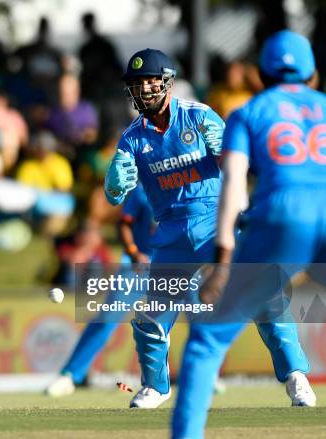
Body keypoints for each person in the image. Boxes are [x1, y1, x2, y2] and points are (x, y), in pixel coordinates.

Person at [104, 48, 312, 408]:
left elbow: (235, 165)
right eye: (136, 85)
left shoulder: (198, 117)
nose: (142, 91)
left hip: (217, 224)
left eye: (149, 82)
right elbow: (113, 195)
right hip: (171, 233)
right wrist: (114, 184)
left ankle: (296, 377)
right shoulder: (132, 137)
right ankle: (155, 387)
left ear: (167, 82)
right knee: (151, 317)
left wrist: (226, 153)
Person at [172, 30, 322, 438]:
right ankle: (295, 378)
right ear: (313, 75)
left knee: (206, 341)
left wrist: (223, 261)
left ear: (259, 75)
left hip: (279, 216)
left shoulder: (247, 113)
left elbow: (234, 184)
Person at [46, 184, 153, 397]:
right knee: (107, 317)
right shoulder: (142, 189)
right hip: (138, 266)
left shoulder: (193, 182)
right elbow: (123, 223)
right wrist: (133, 252)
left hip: (178, 264)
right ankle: (70, 375)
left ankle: (206, 374)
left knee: (201, 314)